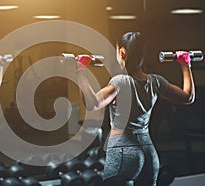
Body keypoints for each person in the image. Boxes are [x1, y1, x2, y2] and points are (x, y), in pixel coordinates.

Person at [76, 32, 195, 185]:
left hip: (123, 150)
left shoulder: (120, 82)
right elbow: (188, 97)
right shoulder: (156, 82)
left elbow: (93, 103)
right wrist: (186, 64)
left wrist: (80, 70)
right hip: (149, 152)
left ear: (122, 53)